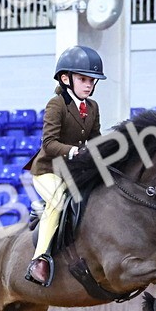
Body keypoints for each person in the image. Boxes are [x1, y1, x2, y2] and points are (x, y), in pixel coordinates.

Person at [22, 45, 106, 287]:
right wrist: (74, 151)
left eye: (92, 80)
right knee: (58, 201)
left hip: (73, 172)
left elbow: (96, 138)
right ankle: (39, 259)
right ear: (66, 78)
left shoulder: (92, 107)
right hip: (47, 171)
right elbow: (49, 143)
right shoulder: (56, 104)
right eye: (83, 79)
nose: (89, 85)